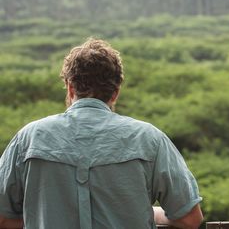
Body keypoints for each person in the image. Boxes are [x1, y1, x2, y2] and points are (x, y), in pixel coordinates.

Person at [0, 38, 203, 229]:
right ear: (115, 93)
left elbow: (3, 217)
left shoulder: (29, 138)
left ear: (70, 89)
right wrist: (153, 213)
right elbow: (190, 218)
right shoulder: (150, 139)